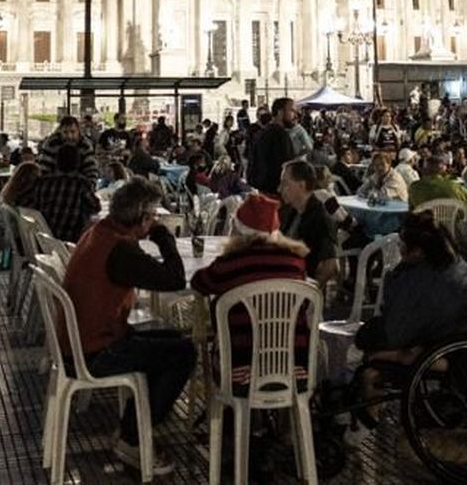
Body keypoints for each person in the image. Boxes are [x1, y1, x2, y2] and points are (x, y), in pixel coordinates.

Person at [64, 178, 195, 474]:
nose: (155, 221)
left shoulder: (99, 231)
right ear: (142, 217)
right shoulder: (120, 250)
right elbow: (173, 280)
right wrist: (164, 237)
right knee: (183, 352)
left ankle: (133, 426)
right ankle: (132, 438)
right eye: (152, 216)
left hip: (83, 340)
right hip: (96, 351)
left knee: (172, 338)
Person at [190, 194, 312, 389]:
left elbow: (199, 283)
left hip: (238, 372)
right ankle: (286, 418)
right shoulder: (295, 263)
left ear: (238, 229)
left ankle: (232, 418)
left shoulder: (229, 265)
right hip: (293, 368)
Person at [356, 210, 467, 358]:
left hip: (446, 345)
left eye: (402, 244)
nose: (400, 248)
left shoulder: (421, 278)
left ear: (417, 251)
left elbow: (399, 331)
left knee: (367, 337)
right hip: (466, 333)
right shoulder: (452, 262)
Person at [277, 160, 341, 283]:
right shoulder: (292, 210)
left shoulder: (320, 218)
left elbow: (331, 267)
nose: (279, 189)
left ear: (302, 185)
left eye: (285, 183)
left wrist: (308, 294)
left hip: (297, 288)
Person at [25, 141, 102, 243]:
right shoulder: (82, 184)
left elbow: (32, 205)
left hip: (43, 238)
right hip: (69, 240)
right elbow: (96, 207)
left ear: (56, 161)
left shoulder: (43, 182)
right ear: (78, 163)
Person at [247, 97, 297, 196]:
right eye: (291, 110)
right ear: (280, 112)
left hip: (262, 191)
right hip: (277, 192)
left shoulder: (260, 133)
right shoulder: (280, 135)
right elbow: (286, 165)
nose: (295, 115)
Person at [406, 149, 467, 213]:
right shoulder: (454, 187)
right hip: (451, 225)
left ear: (423, 170)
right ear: (443, 170)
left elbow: (411, 209)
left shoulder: (414, 187)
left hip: (421, 225)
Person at [38, 116, 99, 182]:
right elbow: (44, 170)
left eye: (73, 132)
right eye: (65, 132)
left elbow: (91, 171)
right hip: (55, 183)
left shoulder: (85, 146)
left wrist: (89, 187)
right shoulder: (52, 144)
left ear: (78, 131)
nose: (69, 136)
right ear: (60, 131)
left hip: (79, 184)